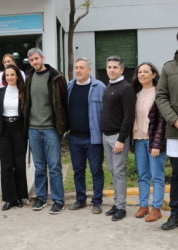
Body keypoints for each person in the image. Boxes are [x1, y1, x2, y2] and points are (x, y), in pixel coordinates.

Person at [23, 48, 68, 214]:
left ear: (43, 58)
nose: (34, 62)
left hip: (51, 129)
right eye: (31, 60)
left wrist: (62, 128)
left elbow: (64, 103)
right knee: (39, 166)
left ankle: (58, 200)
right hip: (33, 129)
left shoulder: (56, 77)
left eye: (36, 58)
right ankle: (41, 198)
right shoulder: (29, 77)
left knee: (55, 166)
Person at [67, 57, 106, 214]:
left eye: (81, 67)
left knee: (96, 171)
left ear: (89, 70)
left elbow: (106, 113)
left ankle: (97, 201)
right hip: (75, 137)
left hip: (93, 138)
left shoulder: (99, 87)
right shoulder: (69, 86)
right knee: (78, 171)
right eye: (76, 67)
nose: (78, 70)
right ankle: (80, 199)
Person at [102, 56, 136, 221]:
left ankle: (121, 208)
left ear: (122, 70)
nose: (111, 70)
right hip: (106, 136)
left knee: (120, 173)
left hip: (118, 137)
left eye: (115, 67)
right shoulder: (110, 85)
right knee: (113, 172)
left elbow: (129, 116)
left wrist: (121, 139)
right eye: (109, 67)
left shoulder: (126, 88)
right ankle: (117, 203)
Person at [131, 62, 166, 222]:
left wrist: (157, 144)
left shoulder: (160, 93)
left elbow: (161, 122)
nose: (142, 74)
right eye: (140, 72)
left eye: (146, 72)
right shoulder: (135, 93)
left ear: (154, 74)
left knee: (157, 176)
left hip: (154, 141)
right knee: (143, 175)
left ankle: (156, 208)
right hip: (139, 140)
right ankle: (143, 205)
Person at [0, 65, 28, 211]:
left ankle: (20, 196)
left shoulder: (24, 91)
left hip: (18, 128)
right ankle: (9, 198)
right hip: (4, 130)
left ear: (17, 76)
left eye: (12, 75)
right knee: (7, 165)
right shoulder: (0, 92)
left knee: (19, 163)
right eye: (7, 75)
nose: (9, 78)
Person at [156, 33, 178, 230]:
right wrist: (174, 119)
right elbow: (161, 96)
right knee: (177, 175)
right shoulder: (169, 68)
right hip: (176, 132)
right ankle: (175, 214)